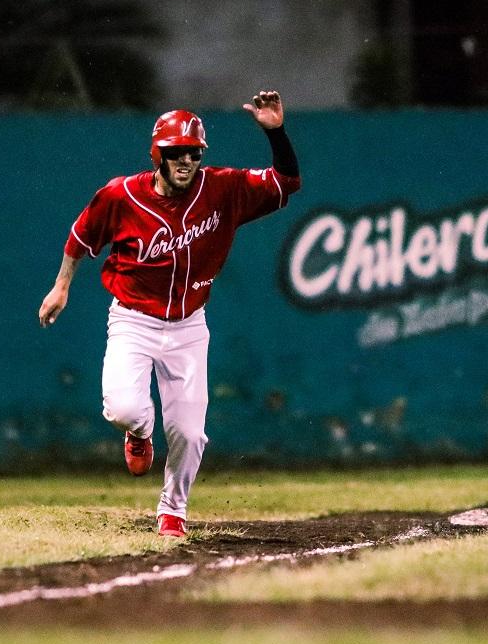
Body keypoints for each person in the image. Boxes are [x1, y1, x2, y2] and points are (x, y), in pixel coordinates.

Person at [38, 91, 301, 537]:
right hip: (133, 320)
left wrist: (275, 132)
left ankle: (173, 509)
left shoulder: (221, 188)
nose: (185, 161)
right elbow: (81, 237)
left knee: (190, 432)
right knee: (123, 408)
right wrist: (61, 285)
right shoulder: (121, 195)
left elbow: (286, 182)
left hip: (188, 327)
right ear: (158, 154)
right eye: (175, 152)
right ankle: (139, 431)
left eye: (193, 153)